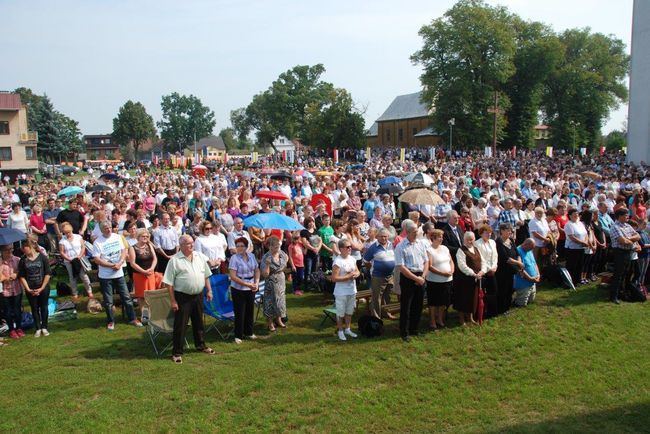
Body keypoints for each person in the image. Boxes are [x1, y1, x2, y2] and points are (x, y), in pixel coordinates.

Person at [163, 234, 215, 364]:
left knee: (199, 322)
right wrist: (173, 301)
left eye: (192, 242)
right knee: (181, 325)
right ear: (181, 246)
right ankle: (177, 352)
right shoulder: (174, 261)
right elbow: (168, 283)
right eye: (188, 243)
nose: (192, 245)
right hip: (182, 297)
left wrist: (209, 290)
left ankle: (201, 345)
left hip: (198, 295)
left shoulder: (199, 257)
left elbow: (206, 275)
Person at [92, 221, 142, 330]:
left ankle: (132, 318)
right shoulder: (97, 242)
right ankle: (110, 321)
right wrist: (111, 265)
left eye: (110, 227)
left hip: (119, 273)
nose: (108, 229)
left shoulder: (118, 237)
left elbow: (124, 250)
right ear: (101, 230)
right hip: (105, 276)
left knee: (127, 297)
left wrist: (119, 263)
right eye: (106, 228)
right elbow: (97, 259)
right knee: (109, 301)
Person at [394, 220, 429, 342]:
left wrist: (423, 277)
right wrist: (416, 278)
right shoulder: (400, 247)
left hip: (421, 276)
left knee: (418, 305)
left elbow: (426, 261)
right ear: (407, 232)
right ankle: (404, 332)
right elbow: (401, 267)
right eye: (414, 232)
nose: (416, 234)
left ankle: (415, 329)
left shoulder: (420, 244)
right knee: (406, 306)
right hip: (408, 277)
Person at [228, 237, 260, 344]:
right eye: (237, 246)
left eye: (242, 246)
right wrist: (247, 284)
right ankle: (238, 335)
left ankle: (249, 332)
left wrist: (256, 283)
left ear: (246, 247)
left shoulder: (252, 256)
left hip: (251, 286)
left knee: (250, 310)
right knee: (240, 311)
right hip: (238, 288)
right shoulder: (234, 258)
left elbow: (256, 270)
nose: (239, 248)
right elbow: (233, 276)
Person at [18, 239, 51, 337]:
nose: (24, 249)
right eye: (23, 247)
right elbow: (22, 276)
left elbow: (48, 273)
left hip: (43, 287)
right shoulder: (23, 260)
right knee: (34, 308)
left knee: (44, 307)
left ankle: (44, 327)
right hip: (30, 288)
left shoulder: (42, 258)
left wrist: (42, 288)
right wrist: (27, 289)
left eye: (25, 247)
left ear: (31, 246)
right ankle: (37, 328)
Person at [609, 208, 640, 304]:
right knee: (618, 274)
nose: (628, 217)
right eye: (626, 215)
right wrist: (631, 241)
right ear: (620, 216)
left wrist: (629, 238)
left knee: (626, 273)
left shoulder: (627, 225)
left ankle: (621, 292)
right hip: (620, 253)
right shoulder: (615, 227)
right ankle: (614, 296)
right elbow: (622, 241)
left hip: (628, 252)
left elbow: (637, 236)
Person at [331, 239, 360, 341]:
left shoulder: (352, 259)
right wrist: (348, 277)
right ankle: (340, 331)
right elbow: (334, 278)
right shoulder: (338, 261)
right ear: (341, 249)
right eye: (348, 247)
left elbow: (357, 271)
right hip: (341, 292)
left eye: (350, 247)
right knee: (340, 313)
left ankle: (347, 329)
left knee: (349, 311)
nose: (350, 249)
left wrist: (356, 275)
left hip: (352, 290)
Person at [363, 227, 395, 319]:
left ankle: (386, 312)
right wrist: (372, 269)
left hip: (390, 275)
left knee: (387, 296)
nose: (383, 238)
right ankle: (376, 317)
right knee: (376, 297)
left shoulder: (391, 245)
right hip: (378, 276)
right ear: (377, 237)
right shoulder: (373, 247)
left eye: (385, 236)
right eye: (381, 236)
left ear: (388, 236)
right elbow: (365, 260)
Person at [128, 228, 160, 322]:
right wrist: (143, 272)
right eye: (143, 236)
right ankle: (145, 316)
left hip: (150, 273)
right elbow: (132, 263)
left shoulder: (149, 245)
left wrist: (152, 269)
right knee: (142, 296)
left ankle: (152, 314)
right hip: (139, 275)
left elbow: (155, 258)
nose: (145, 238)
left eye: (147, 236)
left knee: (151, 295)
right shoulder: (132, 248)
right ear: (138, 237)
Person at [425, 229, 453, 329]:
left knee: (443, 302)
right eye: (439, 236)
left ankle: (439, 319)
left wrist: (451, 271)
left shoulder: (445, 248)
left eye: (442, 236)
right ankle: (432, 321)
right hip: (434, 280)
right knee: (433, 302)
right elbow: (430, 266)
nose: (441, 238)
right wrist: (442, 273)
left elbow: (451, 261)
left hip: (447, 280)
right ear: (433, 238)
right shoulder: (429, 250)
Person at [58, 222, 93, 301]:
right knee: (72, 277)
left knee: (84, 276)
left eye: (69, 232)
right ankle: (75, 293)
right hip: (69, 261)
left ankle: (89, 291)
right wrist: (69, 259)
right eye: (66, 233)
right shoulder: (62, 241)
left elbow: (83, 247)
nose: (68, 234)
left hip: (79, 259)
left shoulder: (78, 237)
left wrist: (80, 255)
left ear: (71, 230)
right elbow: (62, 252)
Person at [260, 236, 288, 331]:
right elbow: (265, 274)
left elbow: (286, 261)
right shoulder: (266, 257)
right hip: (271, 282)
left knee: (280, 301)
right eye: (276, 247)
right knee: (270, 302)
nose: (278, 249)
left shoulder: (281, 253)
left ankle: (279, 320)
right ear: (270, 247)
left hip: (281, 280)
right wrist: (267, 264)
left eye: (279, 246)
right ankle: (270, 323)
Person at [455, 232, 482, 326]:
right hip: (464, 279)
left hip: (476, 278)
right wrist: (473, 274)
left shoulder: (476, 249)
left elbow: (482, 261)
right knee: (463, 298)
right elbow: (462, 266)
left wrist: (481, 271)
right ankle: (461, 319)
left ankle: (470, 318)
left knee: (472, 298)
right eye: (468, 239)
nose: (470, 241)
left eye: (472, 239)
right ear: (464, 240)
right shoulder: (461, 250)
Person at [495, 223, 522, 314]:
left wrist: (519, 261)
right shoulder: (498, 242)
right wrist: (519, 263)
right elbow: (506, 258)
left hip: (511, 271)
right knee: (503, 290)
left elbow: (517, 253)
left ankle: (507, 307)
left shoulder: (511, 240)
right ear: (502, 231)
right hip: (503, 271)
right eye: (508, 230)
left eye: (510, 230)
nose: (510, 232)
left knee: (510, 289)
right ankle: (501, 309)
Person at [474, 224, 498, 318]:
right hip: (483, 271)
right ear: (481, 233)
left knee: (493, 291)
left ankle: (492, 312)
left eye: (490, 233)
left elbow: (495, 256)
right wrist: (488, 269)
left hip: (493, 270)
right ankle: (482, 313)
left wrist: (494, 267)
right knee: (483, 294)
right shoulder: (477, 243)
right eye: (486, 233)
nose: (488, 234)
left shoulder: (492, 242)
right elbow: (481, 258)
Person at [1, 245, 23, 339]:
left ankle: (18, 328)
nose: (10, 251)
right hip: (5, 290)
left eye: (11, 249)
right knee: (7, 311)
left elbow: (22, 272)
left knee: (17, 309)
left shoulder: (17, 259)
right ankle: (11, 329)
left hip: (17, 288)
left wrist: (16, 274)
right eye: (7, 250)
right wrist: (5, 278)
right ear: (2, 251)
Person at [563, 208, 588, 286]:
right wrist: (582, 242)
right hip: (572, 248)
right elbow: (572, 237)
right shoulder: (568, 224)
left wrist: (586, 241)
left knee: (580, 265)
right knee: (572, 265)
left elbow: (585, 233)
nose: (576, 215)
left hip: (581, 248)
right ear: (570, 216)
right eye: (574, 214)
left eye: (577, 214)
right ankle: (570, 281)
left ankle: (577, 280)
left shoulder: (580, 223)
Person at [513, 239, 540, 307]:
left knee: (531, 301)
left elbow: (534, 263)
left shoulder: (529, 250)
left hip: (532, 282)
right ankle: (515, 301)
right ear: (525, 244)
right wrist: (530, 279)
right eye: (531, 248)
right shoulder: (517, 251)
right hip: (523, 283)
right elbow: (520, 269)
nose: (531, 250)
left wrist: (538, 274)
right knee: (521, 304)